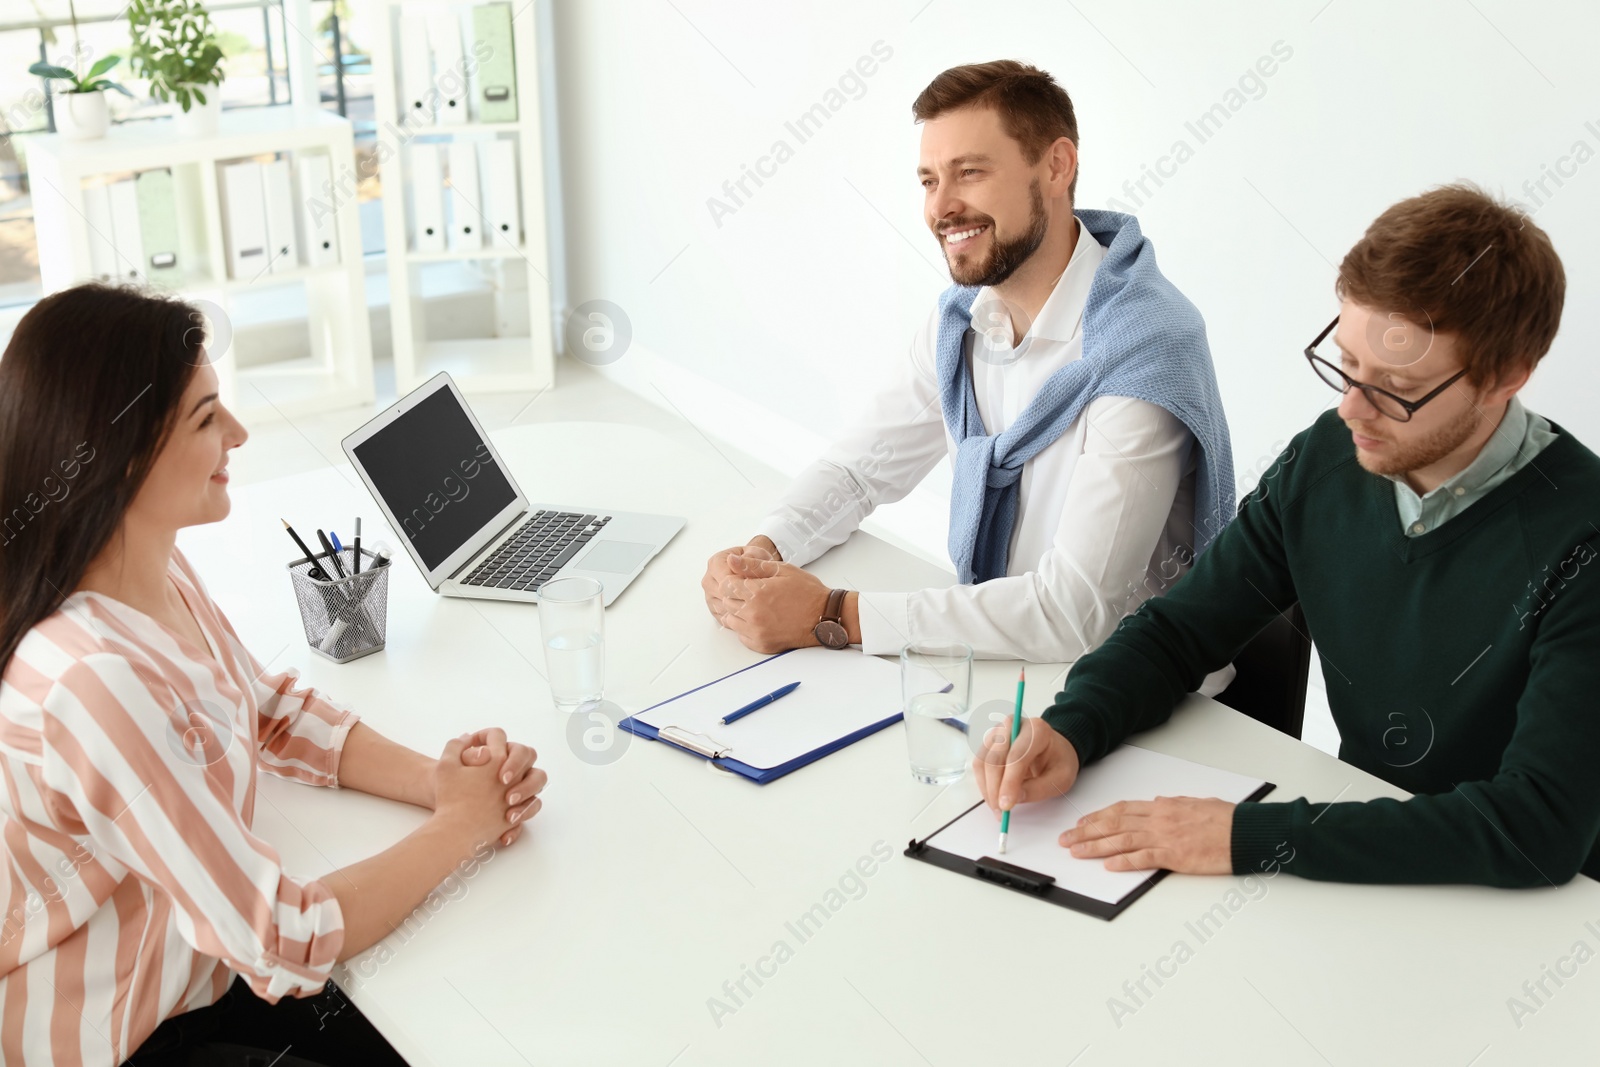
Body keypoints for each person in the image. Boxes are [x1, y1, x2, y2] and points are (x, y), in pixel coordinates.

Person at [974, 184, 1600, 887]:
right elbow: (1179, 633)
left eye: (1394, 386)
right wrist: (1070, 727)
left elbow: (1538, 826)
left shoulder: (1582, 539)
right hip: (1368, 855)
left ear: (1506, 376)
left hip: (1541, 919)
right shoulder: (1328, 458)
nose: (1350, 408)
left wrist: (1250, 836)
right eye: (1346, 364)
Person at [0, 284, 547, 1066]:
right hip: (118, 1041)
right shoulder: (92, 679)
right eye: (205, 417)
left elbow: (265, 707)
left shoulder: (148, 566)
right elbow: (282, 938)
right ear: (119, 461)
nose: (240, 432)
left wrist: (440, 781)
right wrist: (463, 824)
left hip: (193, 977)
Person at [701, 60, 1235, 691]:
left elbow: (1074, 614)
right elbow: (861, 468)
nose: (942, 208)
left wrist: (831, 614)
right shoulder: (965, 318)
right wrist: (765, 552)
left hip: (1131, 694)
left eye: (970, 173)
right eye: (929, 180)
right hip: (1003, 665)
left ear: (1057, 166)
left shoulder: (1146, 351)